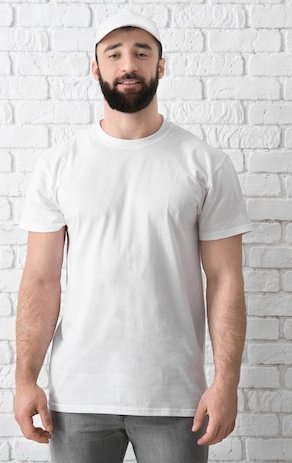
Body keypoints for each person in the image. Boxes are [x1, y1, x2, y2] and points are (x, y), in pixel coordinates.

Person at [14, 10, 251, 463]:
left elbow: (225, 280)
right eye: (114, 54)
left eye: (142, 53)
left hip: (176, 397)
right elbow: (40, 280)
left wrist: (226, 383)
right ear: (95, 68)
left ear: (161, 66)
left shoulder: (203, 163)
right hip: (78, 397)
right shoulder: (59, 165)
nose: (128, 64)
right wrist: (26, 378)